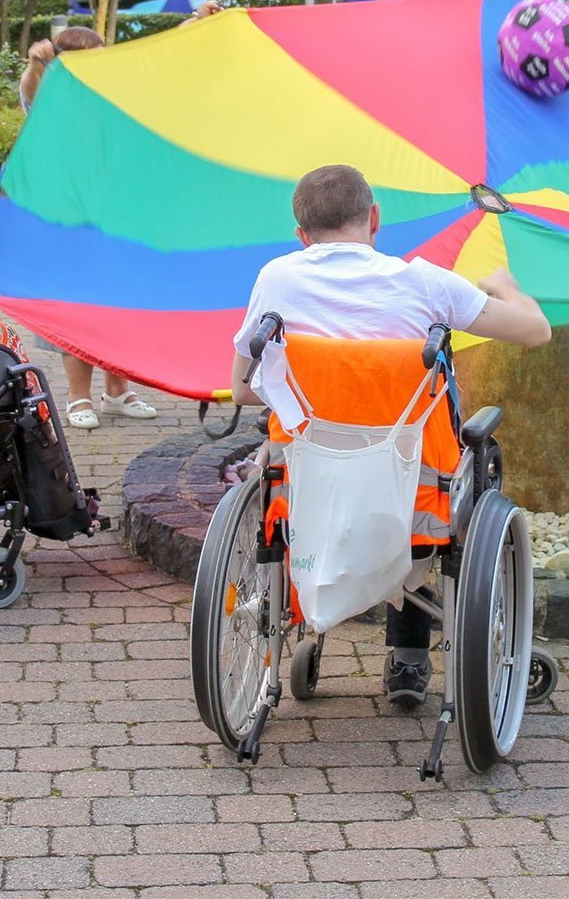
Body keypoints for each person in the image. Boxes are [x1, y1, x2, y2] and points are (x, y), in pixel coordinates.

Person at [229, 164, 551, 706]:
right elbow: (536, 332)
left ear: (301, 234)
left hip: (308, 490)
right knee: (447, 457)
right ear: (375, 219)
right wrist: (506, 287)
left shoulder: (276, 280)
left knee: (287, 453)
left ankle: (304, 621)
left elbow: (242, 389)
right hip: (411, 502)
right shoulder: (425, 283)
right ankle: (409, 655)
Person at [17, 26, 160, 428]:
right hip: (68, 225)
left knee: (118, 306)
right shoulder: (54, 103)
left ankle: (118, 391)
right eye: (90, 56)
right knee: (77, 308)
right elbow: (30, 93)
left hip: (115, 222)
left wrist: (196, 25)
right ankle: (77, 397)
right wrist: (34, 64)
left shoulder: (109, 98)